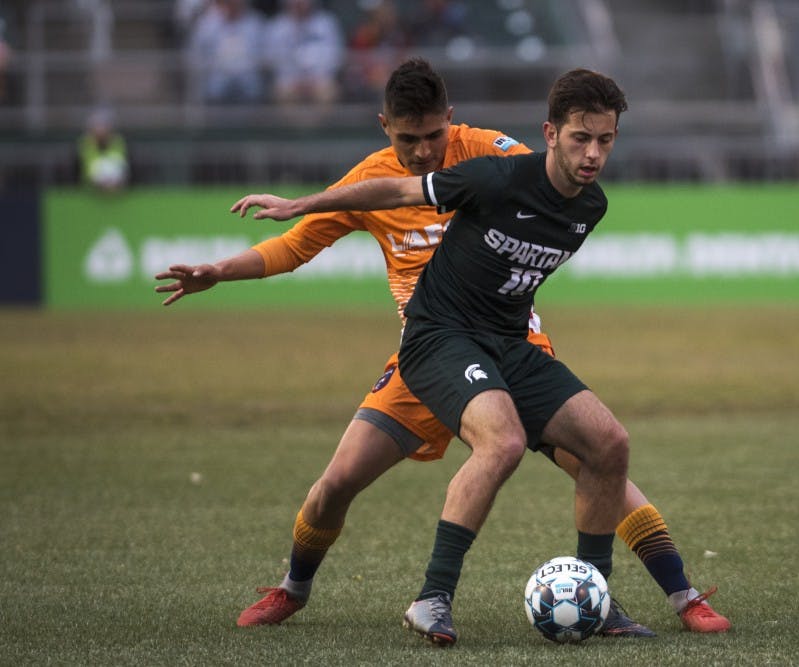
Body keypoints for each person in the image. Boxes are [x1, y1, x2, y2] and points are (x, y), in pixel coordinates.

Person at [157, 59, 728, 641]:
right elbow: (292, 248)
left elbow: (545, 176)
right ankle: (293, 588)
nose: (425, 150)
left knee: (600, 454)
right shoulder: (368, 182)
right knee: (338, 482)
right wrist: (221, 271)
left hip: (509, 342)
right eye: (409, 139)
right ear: (385, 127)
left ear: (450, 122)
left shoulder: (491, 154)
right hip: (429, 347)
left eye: (435, 136)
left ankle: (675, 594)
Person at [264, 0, 346, 106]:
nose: (299, 3)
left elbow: (335, 56)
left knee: (328, 92)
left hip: (320, 79)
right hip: (288, 81)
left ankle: (318, 123)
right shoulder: (276, 27)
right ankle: (290, 123)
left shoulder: (326, 23)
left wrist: (313, 78)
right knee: (281, 92)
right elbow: (272, 60)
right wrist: (295, 80)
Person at [187, 0, 265, 104]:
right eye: (228, 3)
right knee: (216, 87)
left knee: (252, 87)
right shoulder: (207, 25)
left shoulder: (255, 23)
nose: (232, 6)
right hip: (218, 73)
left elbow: (264, 54)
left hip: (247, 74)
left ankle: (250, 118)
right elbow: (196, 53)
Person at [77, 108, 129, 192]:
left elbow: (118, 161)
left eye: (103, 126)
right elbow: (89, 165)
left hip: (115, 182)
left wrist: (113, 181)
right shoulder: (85, 142)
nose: (100, 130)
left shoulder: (117, 141)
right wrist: (100, 181)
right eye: (97, 126)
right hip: (92, 184)